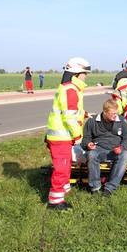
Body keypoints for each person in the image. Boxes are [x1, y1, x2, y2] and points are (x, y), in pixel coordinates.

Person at [45, 57, 91, 210]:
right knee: (62, 169)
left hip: (59, 136)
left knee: (64, 166)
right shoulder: (71, 89)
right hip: (61, 136)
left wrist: (83, 113)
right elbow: (69, 116)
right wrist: (77, 136)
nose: (86, 76)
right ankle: (56, 202)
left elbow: (70, 110)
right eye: (85, 73)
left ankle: (63, 190)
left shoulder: (68, 87)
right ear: (77, 73)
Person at [82, 99, 127, 196]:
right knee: (91, 155)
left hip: (115, 149)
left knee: (125, 156)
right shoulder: (92, 121)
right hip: (98, 149)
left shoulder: (122, 120)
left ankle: (110, 188)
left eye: (116, 113)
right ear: (105, 112)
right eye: (112, 113)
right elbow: (85, 139)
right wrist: (88, 144)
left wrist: (121, 147)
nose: (115, 115)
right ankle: (95, 187)